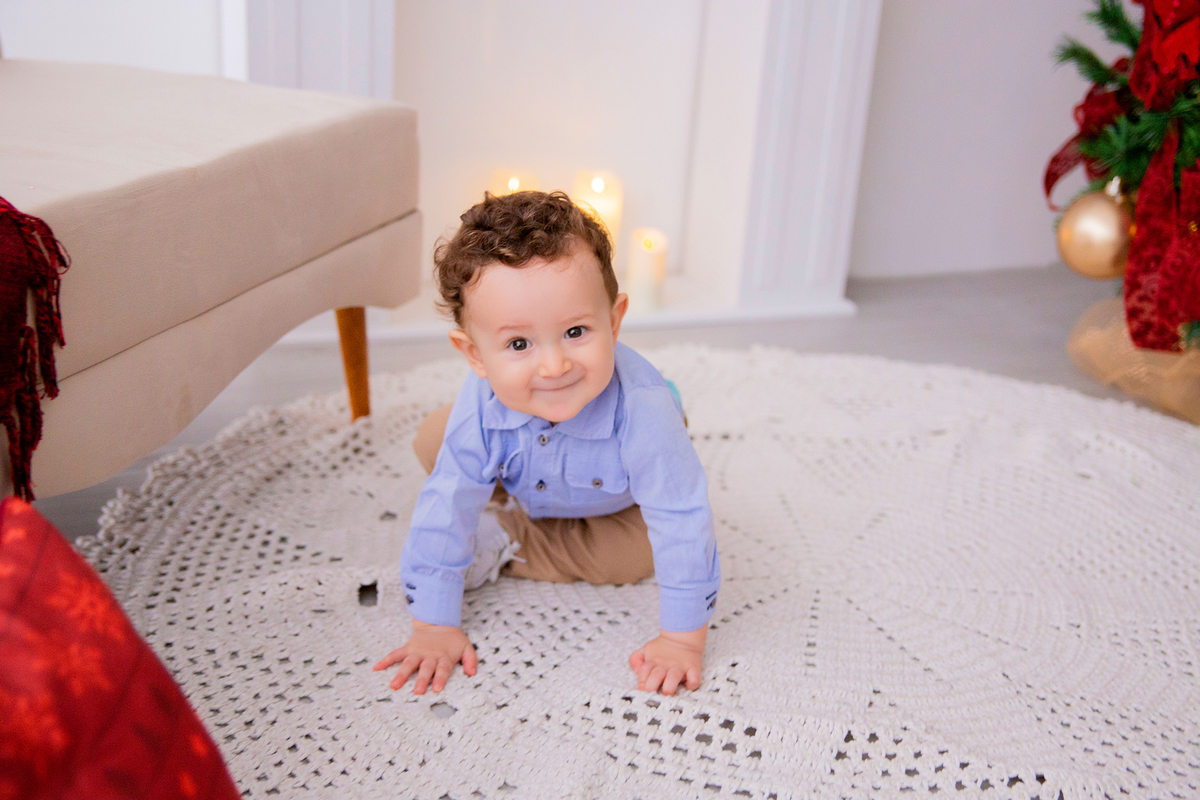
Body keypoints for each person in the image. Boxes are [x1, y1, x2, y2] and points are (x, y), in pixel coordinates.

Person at [374, 190, 720, 697]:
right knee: (435, 440)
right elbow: (447, 500)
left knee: (639, 554)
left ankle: (508, 538)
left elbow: (681, 515)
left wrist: (682, 640)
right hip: (524, 468)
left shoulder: (644, 411)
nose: (554, 366)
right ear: (474, 355)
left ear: (615, 320)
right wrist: (433, 625)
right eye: (518, 344)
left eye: (577, 331)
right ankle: (497, 515)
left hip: (611, 501)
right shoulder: (482, 399)